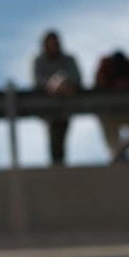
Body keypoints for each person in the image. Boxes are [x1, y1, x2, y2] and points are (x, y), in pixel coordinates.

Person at [33, 30, 82, 166]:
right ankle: (56, 164)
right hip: (47, 108)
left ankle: (60, 163)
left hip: (66, 105)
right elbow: (38, 81)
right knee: (54, 138)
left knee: (61, 136)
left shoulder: (68, 60)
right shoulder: (39, 61)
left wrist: (64, 82)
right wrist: (52, 85)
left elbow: (77, 78)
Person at [94, 50, 129, 163]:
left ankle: (122, 152)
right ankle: (117, 154)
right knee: (105, 122)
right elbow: (98, 88)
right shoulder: (105, 68)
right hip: (110, 112)